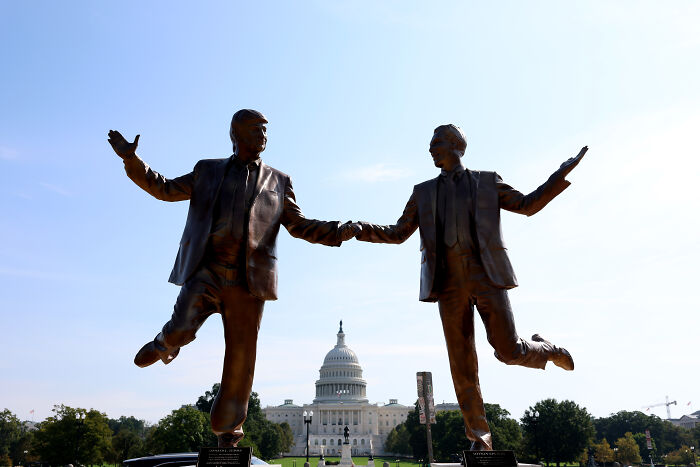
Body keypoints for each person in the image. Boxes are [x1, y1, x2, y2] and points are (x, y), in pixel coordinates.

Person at [108, 109, 360, 447]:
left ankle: (229, 429)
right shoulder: (207, 171)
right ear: (236, 134)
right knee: (183, 326)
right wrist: (132, 160)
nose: (263, 136)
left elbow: (299, 225)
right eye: (257, 130)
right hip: (207, 270)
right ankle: (167, 343)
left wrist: (336, 231)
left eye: (265, 130)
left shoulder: (279, 181)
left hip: (249, 281)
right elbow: (164, 188)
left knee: (241, 358)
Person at [355, 124, 586, 450]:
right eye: (430, 145)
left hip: (486, 276)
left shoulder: (487, 182)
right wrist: (358, 229)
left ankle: (547, 350)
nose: (431, 150)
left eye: (436, 144)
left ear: (456, 146)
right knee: (462, 364)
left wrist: (557, 176)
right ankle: (480, 438)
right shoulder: (422, 193)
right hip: (448, 285)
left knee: (508, 351)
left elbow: (527, 205)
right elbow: (397, 233)